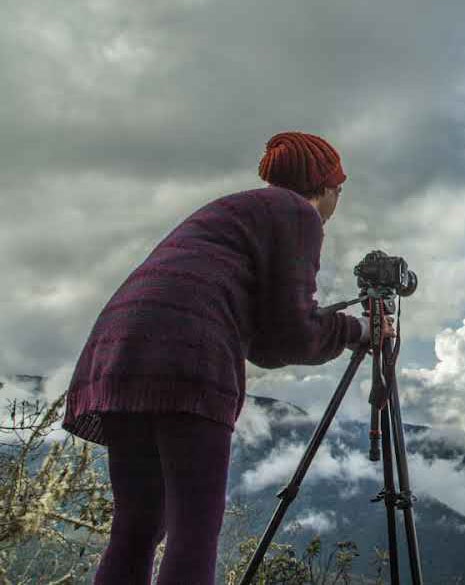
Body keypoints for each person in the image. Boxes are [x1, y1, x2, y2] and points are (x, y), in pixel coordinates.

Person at [60, 131, 394, 584]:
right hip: (187, 355)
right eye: (340, 187)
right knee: (193, 528)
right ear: (328, 187)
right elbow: (289, 337)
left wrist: (329, 325)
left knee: (138, 525)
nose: (339, 198)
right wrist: (360, 332)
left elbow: (267, 335)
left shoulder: (234, 211)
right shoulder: (298, 214)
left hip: (118, 353)